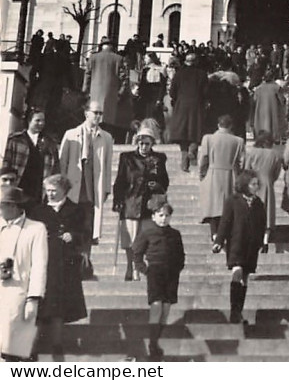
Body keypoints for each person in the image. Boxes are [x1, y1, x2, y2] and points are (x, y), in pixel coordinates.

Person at [36, 174, 88, 360]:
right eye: (47, 190)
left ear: (64, 191)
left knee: (59, 306)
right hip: (44, 262)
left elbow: (85, 233)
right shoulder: (39, 211)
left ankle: (57, 345)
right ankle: (36, 344)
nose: (49, 194)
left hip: (66, 264)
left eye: (53, 191)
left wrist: (73, 235)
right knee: (43, 304)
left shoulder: (76, 210)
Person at [112, 121, 169, 280]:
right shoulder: (127, 157)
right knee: (130, 238)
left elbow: (165, 181)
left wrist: (156, 183)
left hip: (150, 202)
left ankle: (139, 265)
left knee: (145, 237)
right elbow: (120, 180)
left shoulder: (158, 158)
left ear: (152, 143)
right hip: (131, 200)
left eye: (147, 143)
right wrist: (117, 200)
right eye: (141, 143)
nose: (144, 147)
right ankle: (131, 266)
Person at [132, 195, 185, 361]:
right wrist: (144, 269)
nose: (164, 219)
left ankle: (157, 339)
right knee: (156, 305)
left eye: (167, 215)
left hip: (171, 274)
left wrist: (178, 268)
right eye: (160, 215)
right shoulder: (147, 232)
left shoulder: (175, 234)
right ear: (154, 216)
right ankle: (153, 344)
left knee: (166, 308)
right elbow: (137, 253)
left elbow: (180, 255)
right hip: (155, 271)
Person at [0, 185, 48, 361]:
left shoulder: (35, 229)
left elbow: (39, 265)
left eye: (1, 206)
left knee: (16, 349)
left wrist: (33, 299)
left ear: (13, 206)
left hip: (20, 295)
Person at [213, 170, 267, 325]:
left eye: (257, 184)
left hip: (251, 247)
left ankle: (239, 312)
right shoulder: (233, 200)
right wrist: (218, 241)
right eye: (253, 184)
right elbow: (225, 222)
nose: (256, 187)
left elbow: (262, 224)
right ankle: (234, 311)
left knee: (245, 278)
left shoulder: (258, 203)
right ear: (245, 185)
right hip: (236, 243)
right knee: (237, 273)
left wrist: (261, 241)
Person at [59, 99, 114, 247]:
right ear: (86, 113)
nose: (98, 116)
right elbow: (62, 163)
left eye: (100, 113)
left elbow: (107, 165)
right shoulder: (71, 134)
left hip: (91, 192)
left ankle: (85, 263)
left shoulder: (106, 138)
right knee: (69, 231)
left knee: (87, 231)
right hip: (72, 192)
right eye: (95, 113)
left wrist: (106, 189)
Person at [198, 115, 246, 242]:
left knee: (213, 204)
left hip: (212, 172)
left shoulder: (208, 138)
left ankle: (214, 233)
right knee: (227, 204)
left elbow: (204, 158)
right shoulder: (238, 141)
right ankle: (225, 233)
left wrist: (202, 174)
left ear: (218, 125)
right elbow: (242, 162)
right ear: (231, 126)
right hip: (230, 174)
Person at [3, 109, 60, 204]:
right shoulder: (16, 140)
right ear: (29, 121)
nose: (41, 123)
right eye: (37, 120)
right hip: (19, 184)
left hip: (37, 188)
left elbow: (55, 166)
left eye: (43, 121)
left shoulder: (49, 143)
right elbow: (6, 164)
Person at [169, 52, 208, 172]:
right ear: (196, 62)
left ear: (186, 62)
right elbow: (206, 92)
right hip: (196, 104)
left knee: (182, 132)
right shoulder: (202, 74)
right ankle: (192, 150)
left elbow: (172, 92)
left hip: (181, 104)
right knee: (195, 130)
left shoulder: (179, 74)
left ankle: (184, 160)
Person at [83, 39, 129, 137]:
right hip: (111, 94)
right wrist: (120, 92)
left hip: (94, 93)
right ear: (112, 47)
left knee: (95, 116)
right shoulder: (119, 58)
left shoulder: (93, 57)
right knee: (108, 120)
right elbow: (124, 78)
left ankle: (93, 137)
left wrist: (85, 91)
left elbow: (87, 75)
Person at [245, 131, 282, 250]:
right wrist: (270, 180)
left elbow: (246, 169)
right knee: (267, 212)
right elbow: (276, 173)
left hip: (253, 184)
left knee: (252, 211)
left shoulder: (252, 152)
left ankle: (252, 238)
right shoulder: (275, 154)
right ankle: (265, 240)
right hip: (267, 184)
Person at [251, 69, 286, 142]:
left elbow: (254, 100)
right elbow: (282, 100)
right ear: (273, 77)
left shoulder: (258, 88)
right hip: (273, 112)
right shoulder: (276, 88)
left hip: (261, 113)